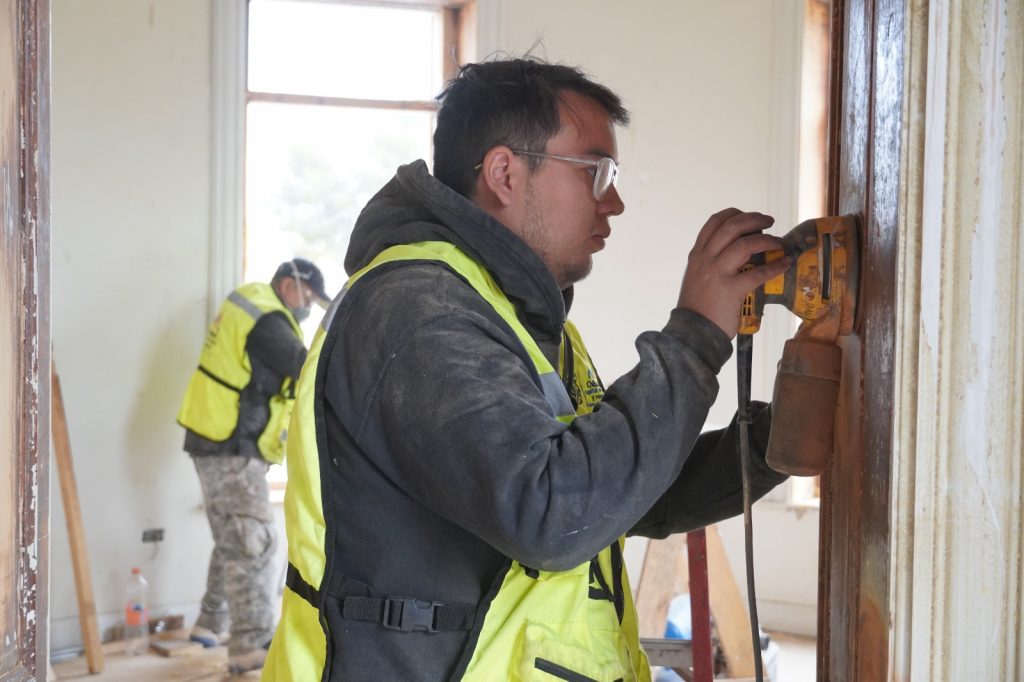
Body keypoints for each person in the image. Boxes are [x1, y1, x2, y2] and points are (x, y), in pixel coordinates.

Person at [264, 59, 794, 681]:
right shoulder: (416, 309)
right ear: (505, 174)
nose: (615, 202)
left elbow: (621, 496)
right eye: (596, 171)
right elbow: (553, 512)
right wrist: (697, 334)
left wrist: (778, 441)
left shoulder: (520, 320)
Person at [177, 258, 329, 674]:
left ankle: (210, 623)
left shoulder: (254, 306)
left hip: (218, 438)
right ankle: (251, 644)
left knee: (235, 535)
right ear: (289, 284)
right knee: (253, 542)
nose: (308, 306)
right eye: (308, 296)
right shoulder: (268, 319)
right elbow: (306, 368)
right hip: (232, 443)